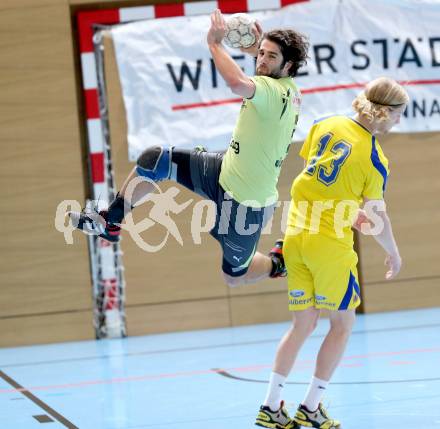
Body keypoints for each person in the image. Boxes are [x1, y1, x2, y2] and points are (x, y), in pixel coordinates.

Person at [69, 10, 309, 287]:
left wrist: (214, 44)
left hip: (247, 201)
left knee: (234, 276)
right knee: (156, 160)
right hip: (224, 170)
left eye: (271, 56)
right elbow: (259, 74)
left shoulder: (274, 91)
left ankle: (277, 264)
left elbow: (237, 83)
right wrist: (255, 49)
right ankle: (110, 222)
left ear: (289, 66)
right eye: (262, 54)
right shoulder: (285, 86)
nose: (262, 61)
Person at [255, 77, 409, 429]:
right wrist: (394, 253)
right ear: (385, 114)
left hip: (295, 237)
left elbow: (316, 175)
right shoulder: (374, 157)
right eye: (400, 114)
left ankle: (271, 406)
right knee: (342, 325)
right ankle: (310, 408)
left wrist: (342, 205)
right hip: (329, 246)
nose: (400, 122)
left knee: (303, 324)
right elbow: (377, 217)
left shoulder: (325, 124)